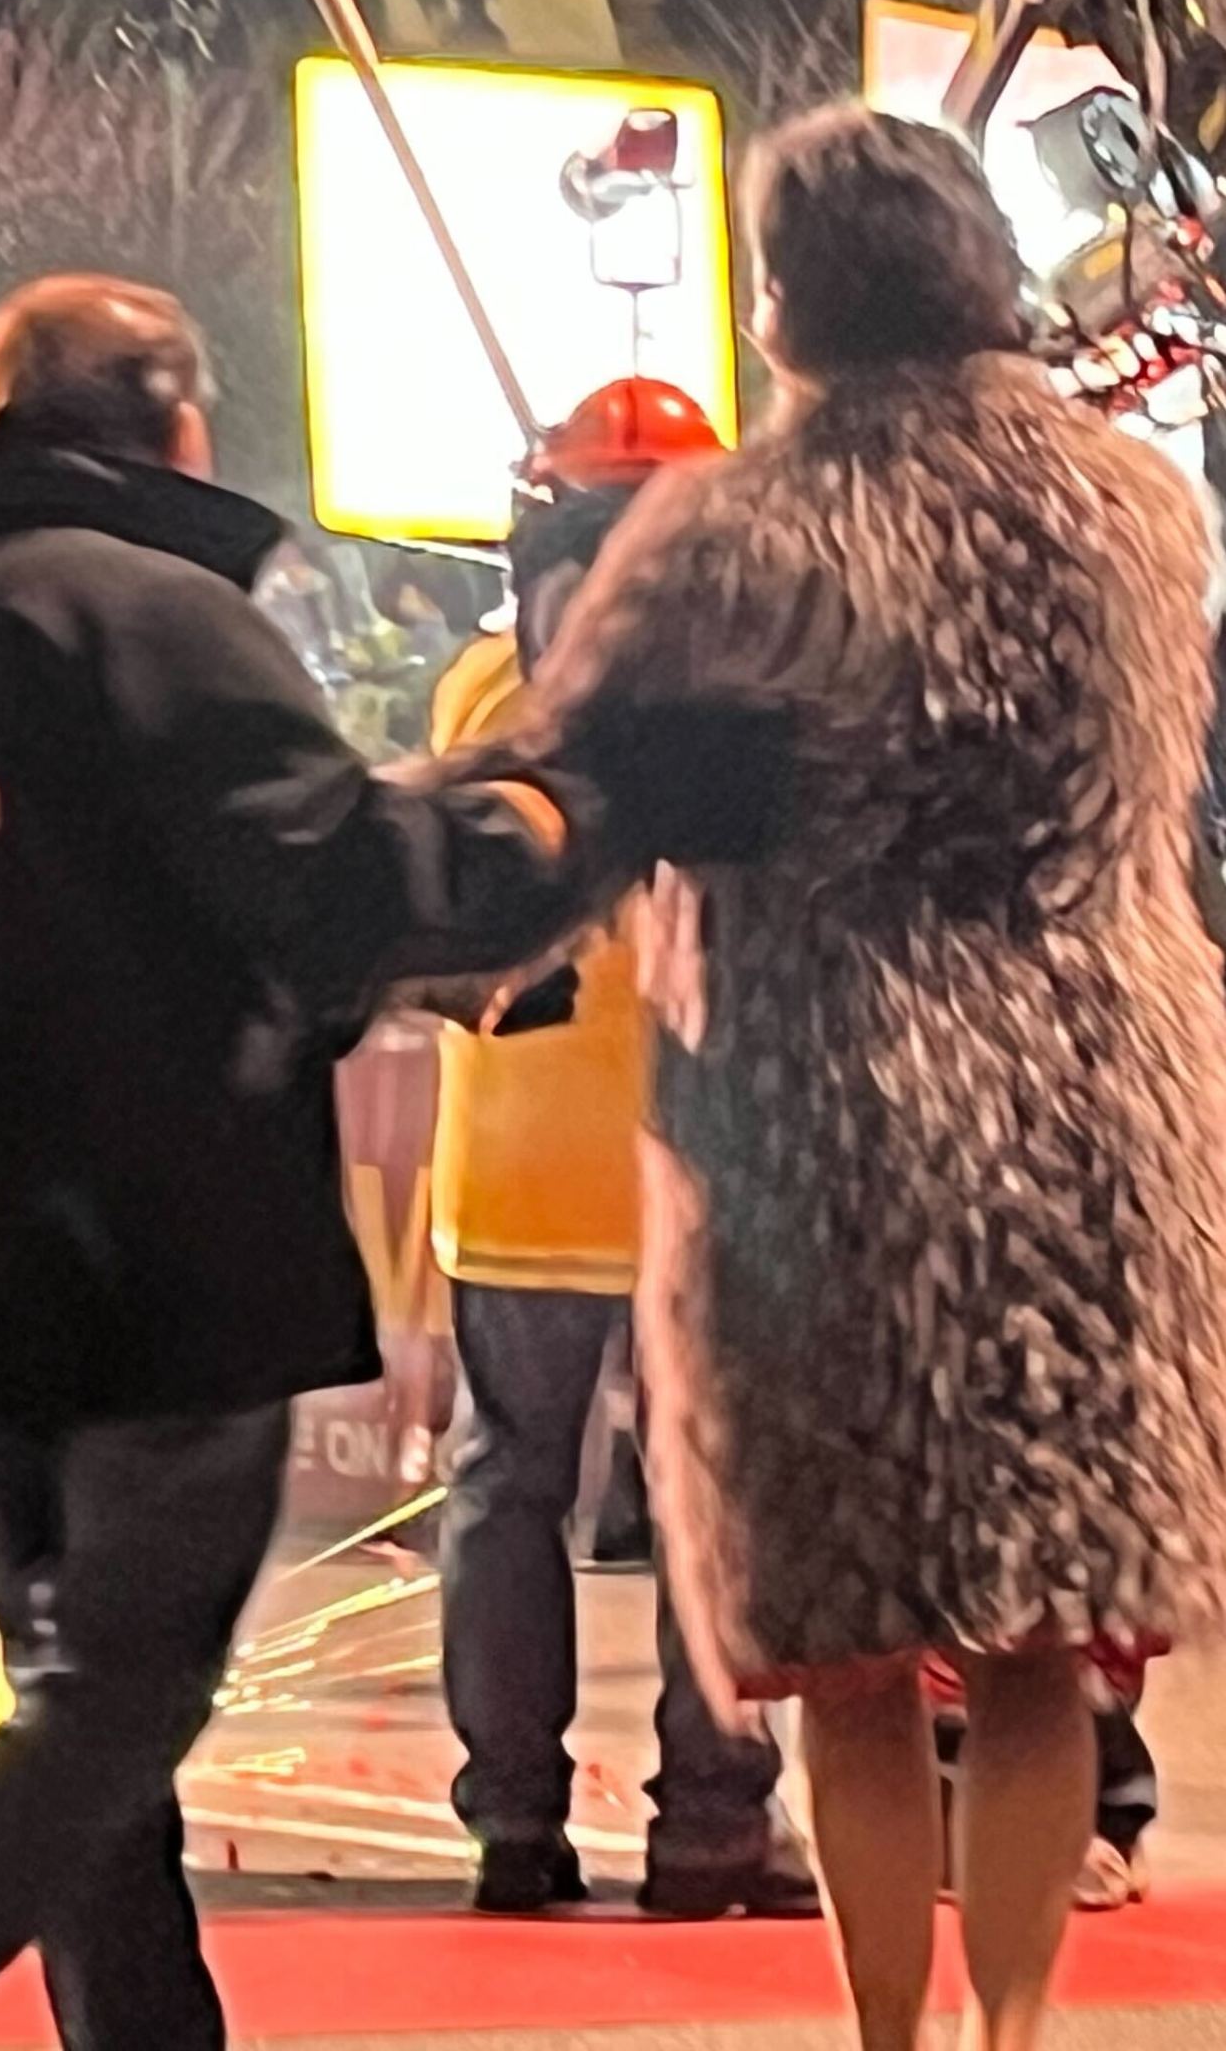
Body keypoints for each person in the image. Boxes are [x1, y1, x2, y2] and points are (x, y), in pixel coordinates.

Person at [0, 277, 592, 2051]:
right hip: (156, 1264)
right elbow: (334, 885)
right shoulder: (150, 615)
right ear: (175, 425)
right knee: (113, 1705)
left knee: (88, 1734)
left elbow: (120, 922)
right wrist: (546, 818)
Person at [469, 109, 1226, 2051]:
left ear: (793, 294)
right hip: (1102, 1114)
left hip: (838, 1118)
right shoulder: (1141, 515)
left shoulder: (738, 528)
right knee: (1039, 1645)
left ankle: (890, 2036)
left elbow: (564, 800)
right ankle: (1016, 2029)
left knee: (848, 1642)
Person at [424, 380, 813, 1923]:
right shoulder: (752, 698)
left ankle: (514, 1822)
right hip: (705, 1153)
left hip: (516, 1159)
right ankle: (710, 1828)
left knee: (507, 1482)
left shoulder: (477, 690)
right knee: (710, 1495)